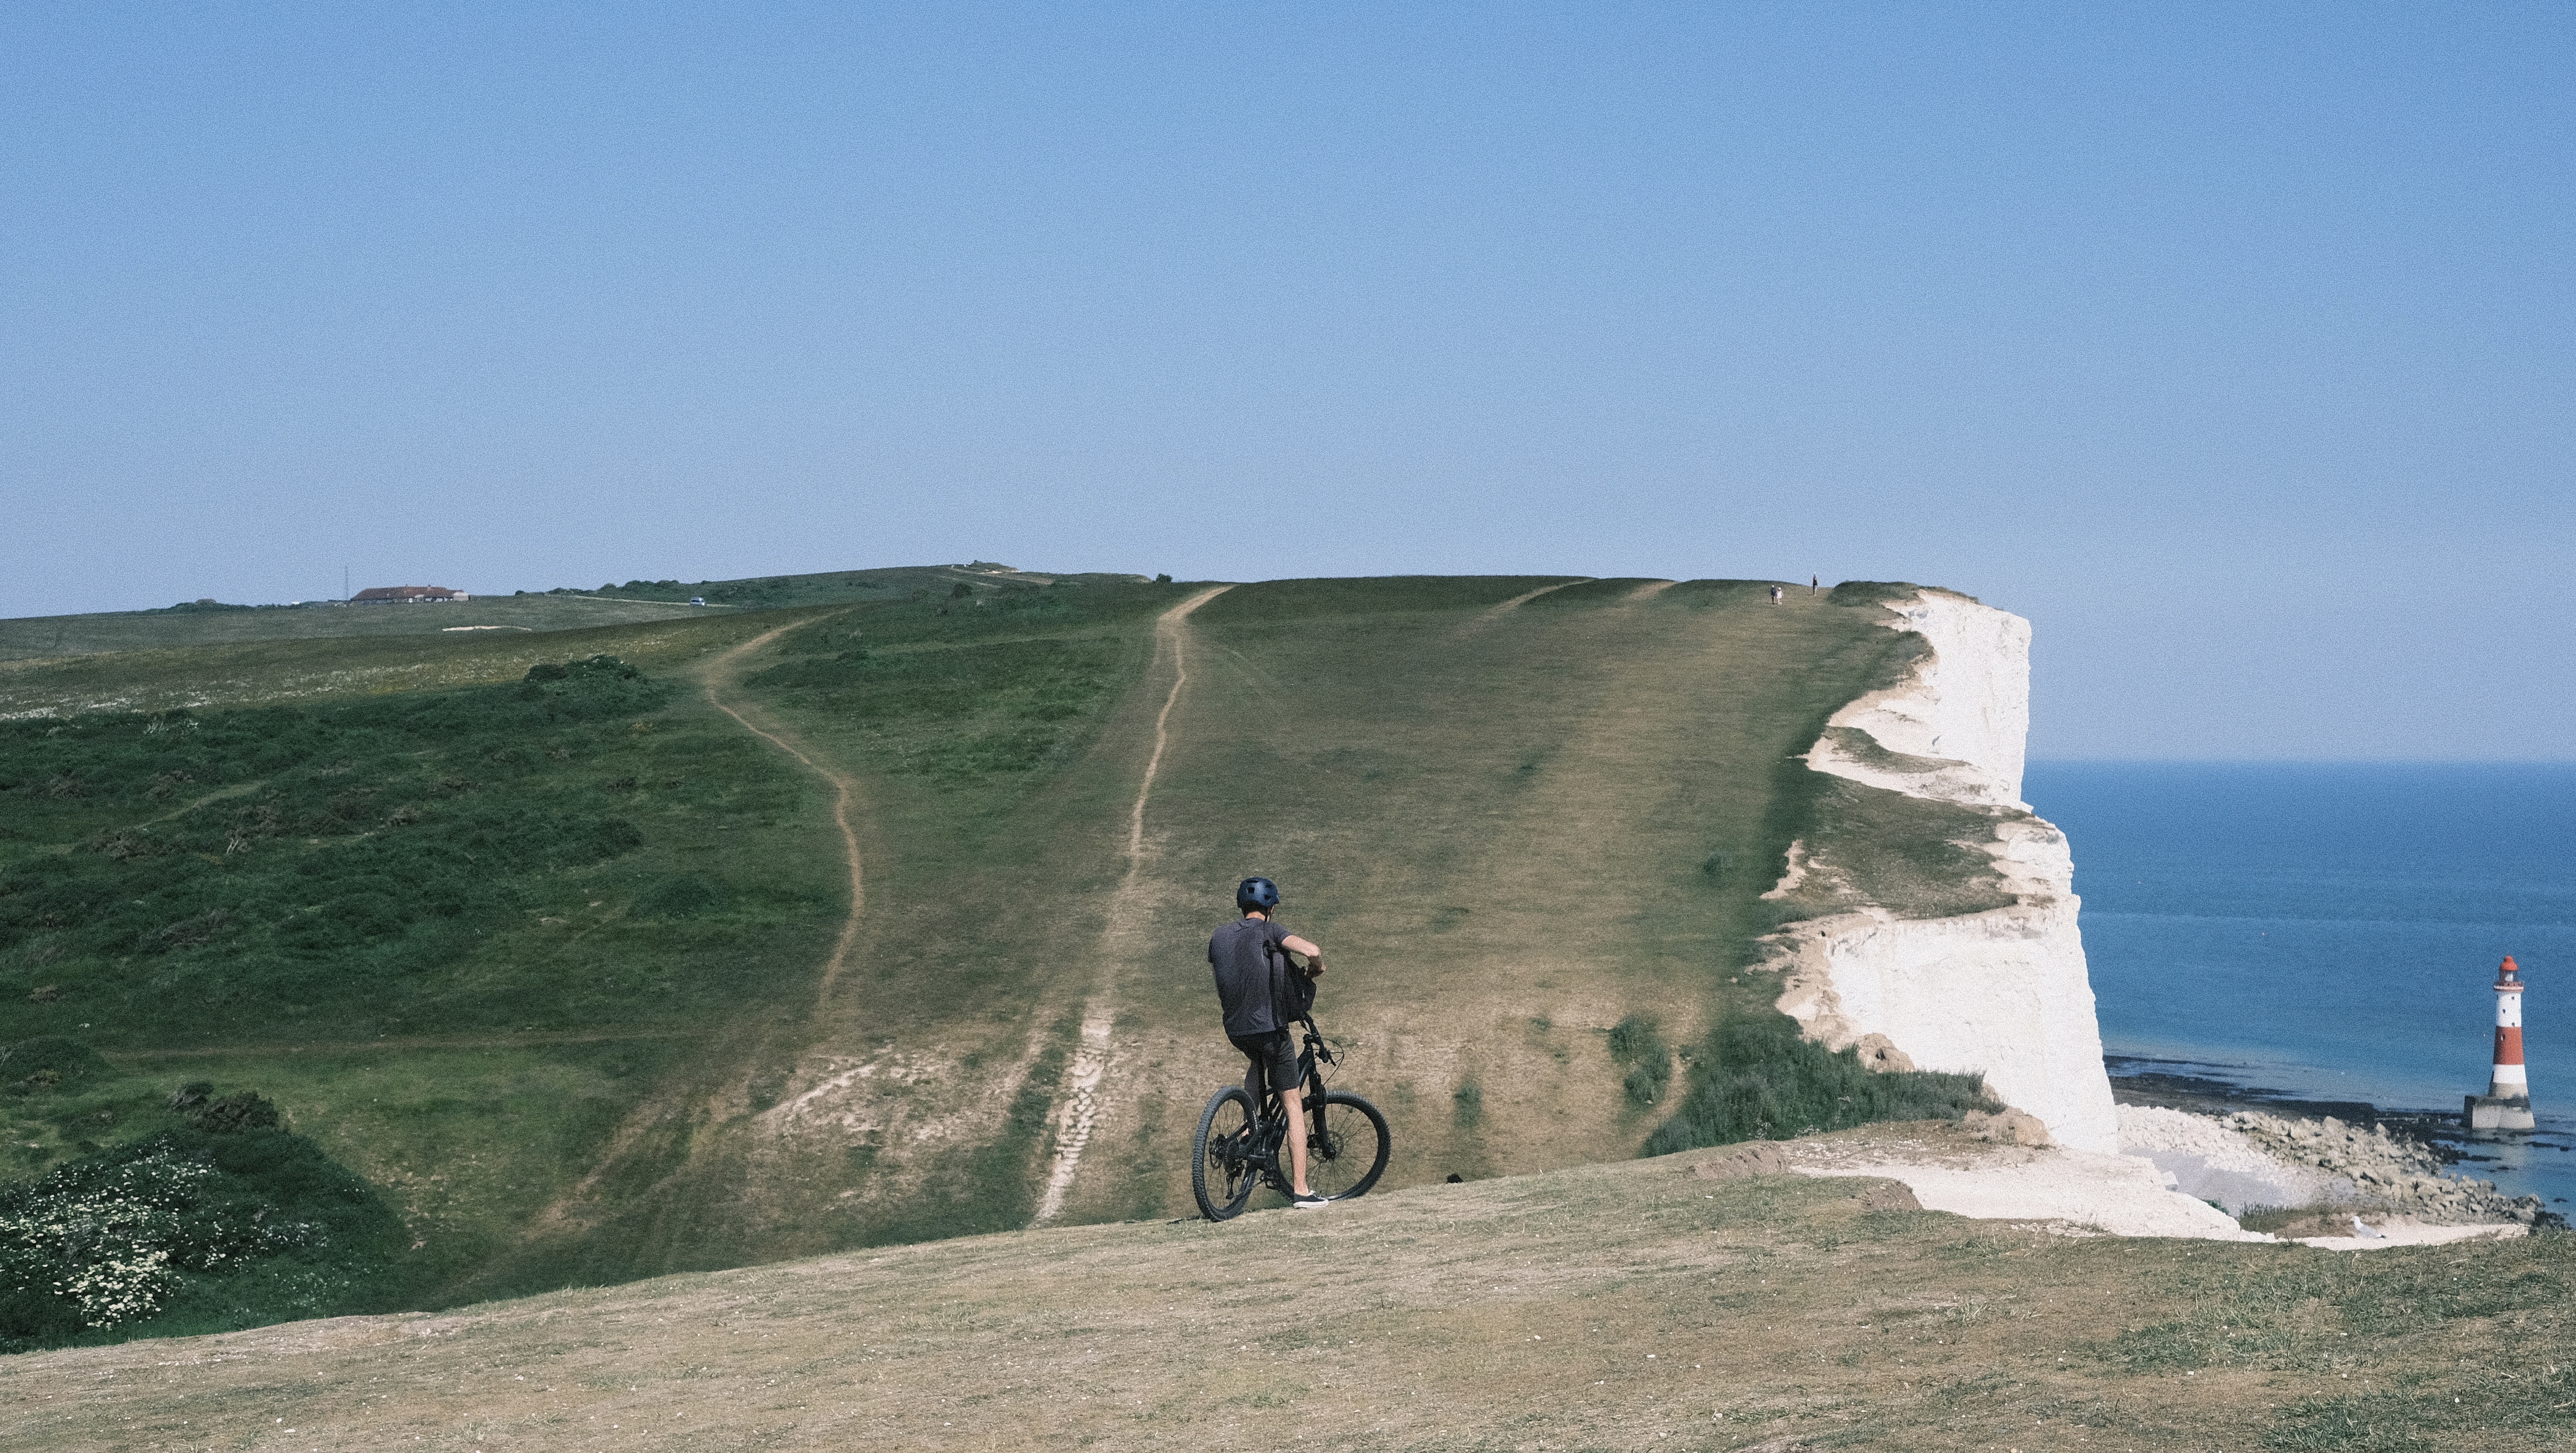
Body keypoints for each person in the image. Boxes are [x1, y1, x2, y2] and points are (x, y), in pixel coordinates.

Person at [1207, 877, 1331, 1209]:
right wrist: (1315, 968)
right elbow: (1312, 950)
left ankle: (1250, 1130)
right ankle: (1302, 1190)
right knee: (1293, 1104)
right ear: (1271, 908)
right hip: (1270, 1030)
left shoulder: (1219, 935)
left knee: (1257, 1060)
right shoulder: (1270, 931)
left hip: (1236, 1030)